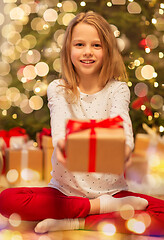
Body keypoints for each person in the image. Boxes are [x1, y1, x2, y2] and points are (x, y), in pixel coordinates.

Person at [0, 11, 164, 235]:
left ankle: (75, 221)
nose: (88, 52)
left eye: (96, 45)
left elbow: (122, 123)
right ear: (69, 49)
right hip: (65, 193)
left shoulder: (118, 89)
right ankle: (95, 209)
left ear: (107, 50)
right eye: (79, 44)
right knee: (7, 200)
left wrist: (125, 148)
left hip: (113, 193)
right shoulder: (58, 89)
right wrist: (61, 147)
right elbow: (59, 127)